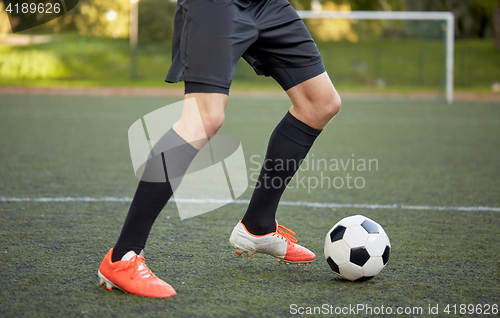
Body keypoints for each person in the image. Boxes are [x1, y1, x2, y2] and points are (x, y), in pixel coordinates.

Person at [98, 0, 341, 298]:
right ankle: (123, 257)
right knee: (203, 118)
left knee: (320, 104)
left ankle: (258, 226)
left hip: (267, 4)